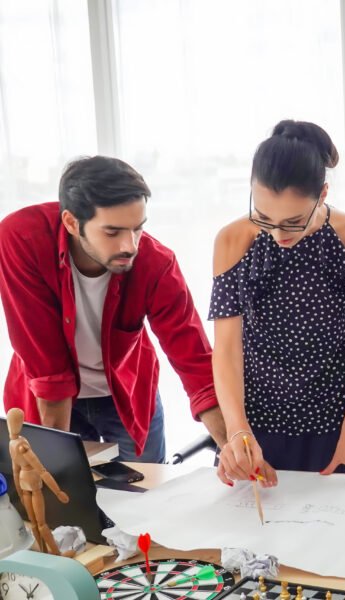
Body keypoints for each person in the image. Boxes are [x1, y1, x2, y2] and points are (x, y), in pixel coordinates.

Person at [0, 156, 226, 463]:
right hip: (49, 400)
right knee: (65, 493)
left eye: (137, 229)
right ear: (70, 222)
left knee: (146, 494)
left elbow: (195, 362)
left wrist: (230, 443)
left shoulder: (156, 263)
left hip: (127, 395)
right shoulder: (21, 239)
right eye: (112, 232)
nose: (130, 245)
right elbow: (46, 361)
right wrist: (55, 463)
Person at [211, 120, 345, 488]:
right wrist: (236, 430)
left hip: (336, 421)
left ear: (322, 193)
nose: (277, 234)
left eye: (292, 222)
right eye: (264, 217)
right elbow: (226, 348)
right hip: (258, 425)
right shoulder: (232, 240)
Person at [7, 407, 71, 556]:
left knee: (34, 523)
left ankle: (45, 553)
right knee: (40, 524)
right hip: (33, 485)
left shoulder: (11, 444)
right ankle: (57, 555)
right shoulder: (22, 446)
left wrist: (20, 494)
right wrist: (58, 491)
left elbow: (15, 471)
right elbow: (42, 471)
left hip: (24, 484)